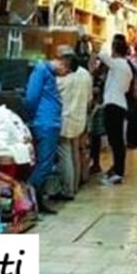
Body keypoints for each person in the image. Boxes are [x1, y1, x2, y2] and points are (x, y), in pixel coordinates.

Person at [25, 54, 64, 213]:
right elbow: (31, 98)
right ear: (62, 62)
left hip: (50, 122)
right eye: (65, 70)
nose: (64, 74)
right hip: (44, 123)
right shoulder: (41, 70)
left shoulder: (49, 74)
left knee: (46, 163)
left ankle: (37, 200)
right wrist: (32, 116)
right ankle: (28, 199)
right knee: (44, 164)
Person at [98, 34, 134, 185]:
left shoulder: (118, 64)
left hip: (113, 105)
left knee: (116, 141)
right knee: (117, 140)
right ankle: (117, 169)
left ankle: (118, 172)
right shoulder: (126, 66)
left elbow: (102, 55)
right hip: (119, 103)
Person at [56, 51, 92, 200]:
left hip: (65, 119)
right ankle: (75, 185)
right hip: (79, 118)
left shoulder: (64, 79)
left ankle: (68, 189)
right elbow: (90, 98)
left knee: (65, 154)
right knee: (75, 151)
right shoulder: (85, 74)